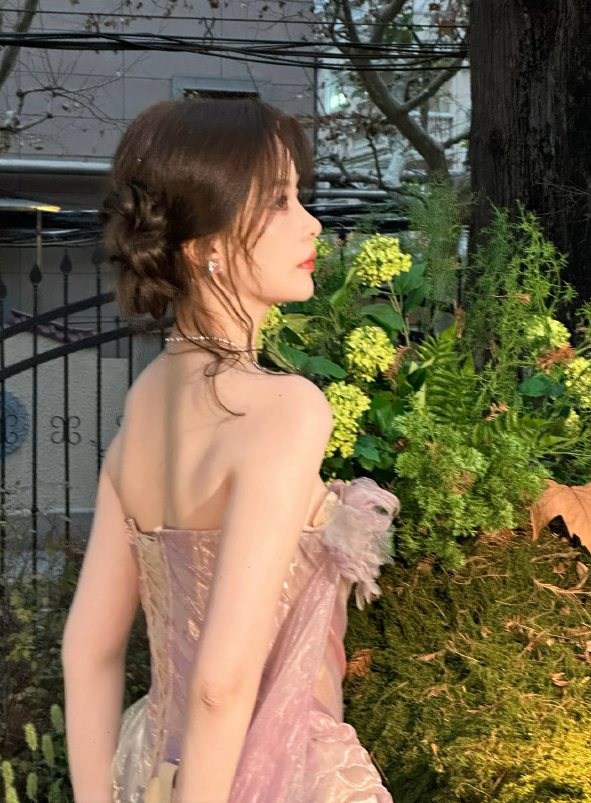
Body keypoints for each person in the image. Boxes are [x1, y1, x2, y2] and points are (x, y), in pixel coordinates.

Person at [61, 97, 398, 803]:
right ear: (203, 245)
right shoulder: (284, 409)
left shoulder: (145, 405)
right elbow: (221, 683)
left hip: (151, 768)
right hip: (278, 775)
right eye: (278, 201)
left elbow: (87, 651)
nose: (311, 222)